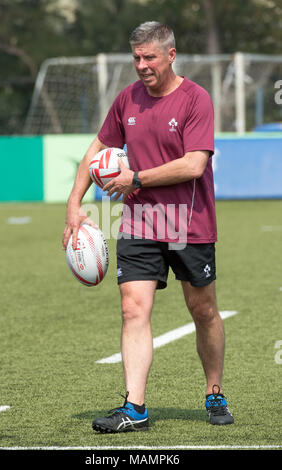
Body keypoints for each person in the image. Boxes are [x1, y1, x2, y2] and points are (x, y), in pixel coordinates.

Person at [62, 21, 234, 432]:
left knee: (203, 310)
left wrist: (135, 179)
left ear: (170, 56)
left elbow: (194, 164)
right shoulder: (127, 99)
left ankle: (214, 392)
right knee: (132, 309)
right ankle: (135, 407)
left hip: (187, 224)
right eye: (136, 57)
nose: (142, 65)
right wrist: (74, 203)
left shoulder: (196, 99)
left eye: (150, 57)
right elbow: (98, 148)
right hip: (139, 222)